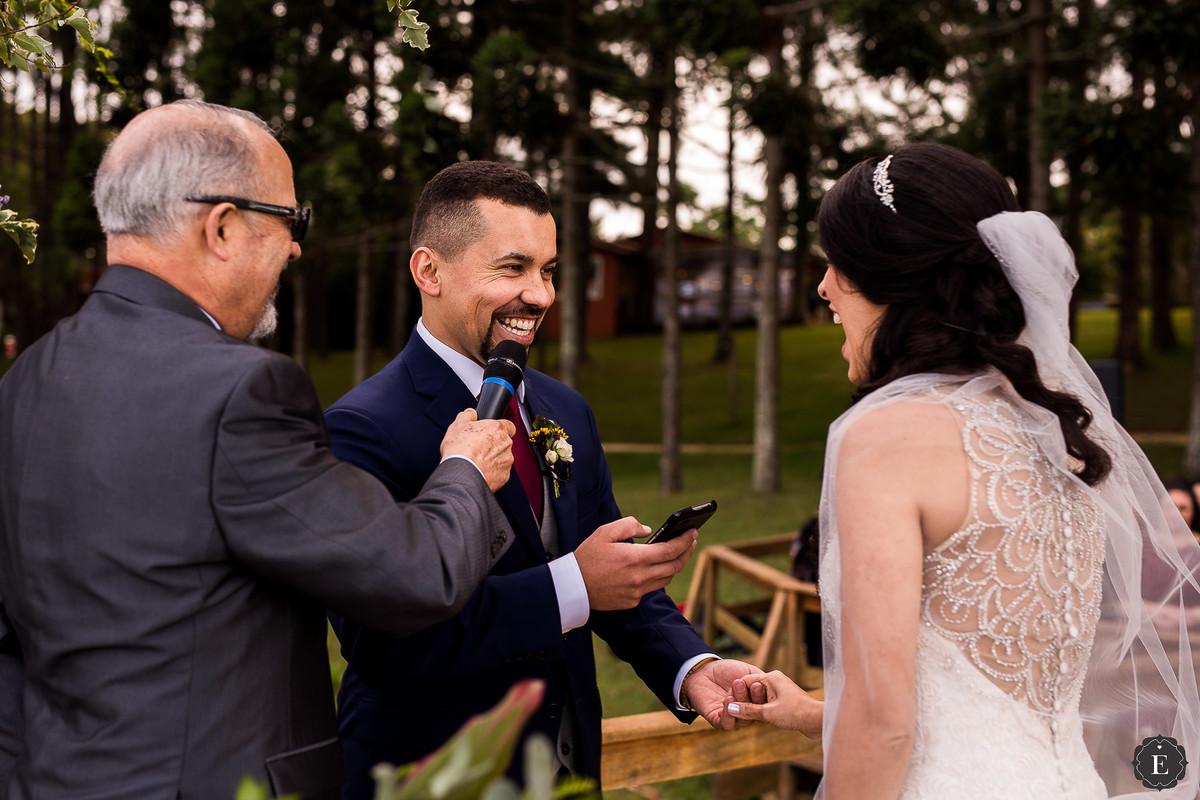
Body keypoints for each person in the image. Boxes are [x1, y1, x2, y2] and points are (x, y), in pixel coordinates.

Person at [0, 101, 522, 800]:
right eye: (290, 221)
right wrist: (464, 469)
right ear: (221, 226)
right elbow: (413, 574)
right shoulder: (240, 391)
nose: (298, 247)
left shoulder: (25, 379)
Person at [723, 143, 1200, 799]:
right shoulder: (1058, 429)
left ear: (891, 274)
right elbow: (991, 698)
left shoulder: (885, 437)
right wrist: (812, 713)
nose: (823, 286)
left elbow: (884, 726)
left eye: (837, 263)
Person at [325, 160, 757, 796]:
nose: (541, 295)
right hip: (433, 774)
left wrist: (690, 667)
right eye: (513, 268)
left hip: (568, 770)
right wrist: (573, 584)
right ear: (429, 272)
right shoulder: (360, 427)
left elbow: (607, 572)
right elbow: (383, 642)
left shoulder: (563, 408)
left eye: (548, 271)